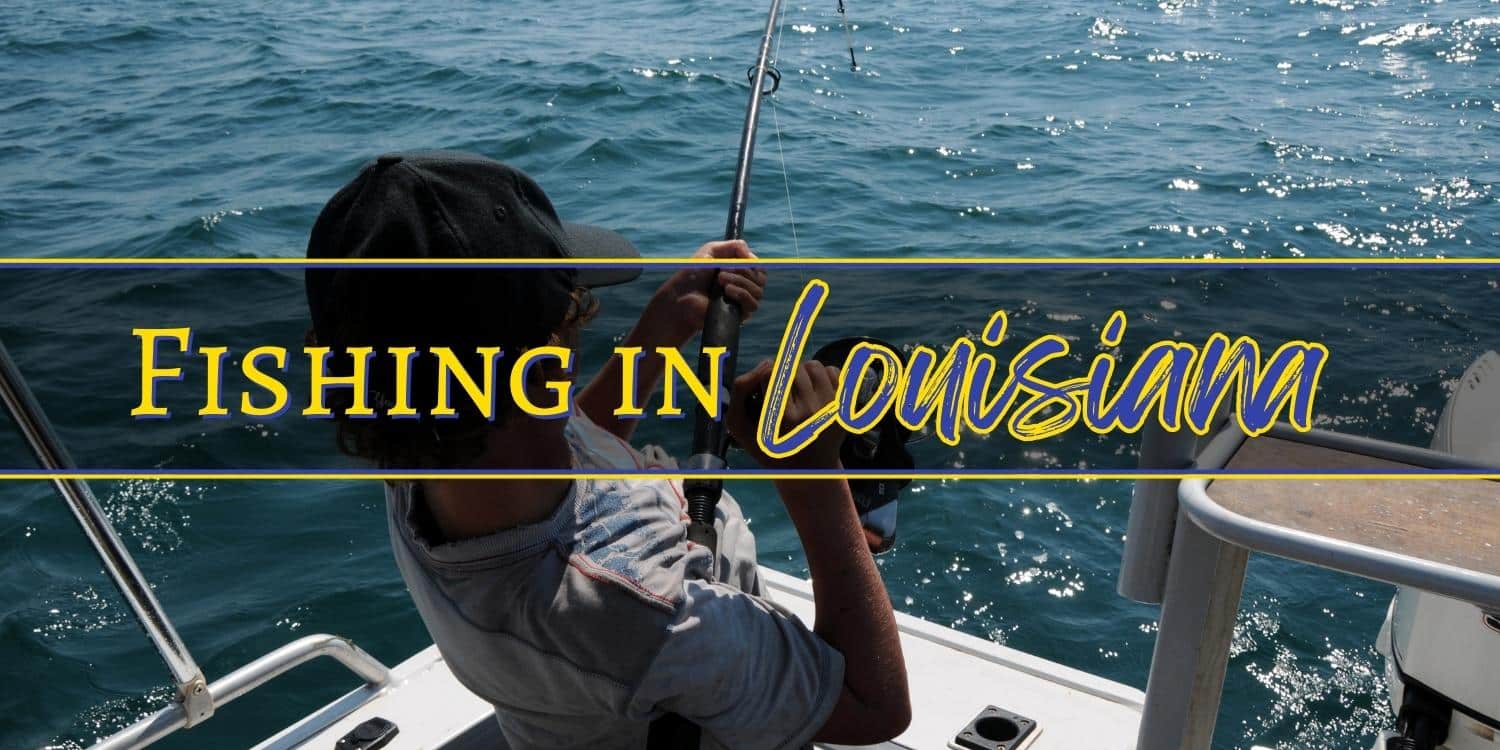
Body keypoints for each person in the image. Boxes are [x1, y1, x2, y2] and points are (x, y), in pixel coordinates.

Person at [305, 150, 910, 749]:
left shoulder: (420, 453)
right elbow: (872, 705)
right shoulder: (642, 612)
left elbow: (566, 446)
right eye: (566, 330)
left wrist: (661, 328)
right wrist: (813, 476)